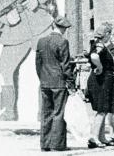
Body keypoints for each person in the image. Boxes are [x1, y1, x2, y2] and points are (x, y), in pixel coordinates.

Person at [35, 15, 73, 152]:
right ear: (62, 28)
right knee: (59, 113)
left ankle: (45, 144)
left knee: (46, 113)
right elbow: (66, 65)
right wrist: (71, 82)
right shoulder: (62, 42)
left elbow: (38, 64)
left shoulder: (41, 41)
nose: (65, 31)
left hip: (45, 82)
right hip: (59, 82)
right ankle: (57, 144)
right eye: (65, 28)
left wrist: (42, 78)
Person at [85, 23, 114, 148]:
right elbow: (94, 56)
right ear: (106, 34)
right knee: (102, 109)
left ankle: (101, 137)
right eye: (110, 33)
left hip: (102, 80)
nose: (110, 36)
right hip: (102, 80)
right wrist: (99, 67)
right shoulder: (99, 44)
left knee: (103, 109)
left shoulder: (97, 44)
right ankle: (94, 137)